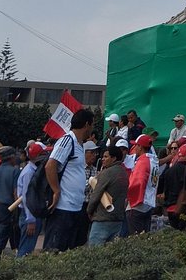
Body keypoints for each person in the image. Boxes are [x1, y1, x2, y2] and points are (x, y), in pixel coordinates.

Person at [44, 108, 96, 252]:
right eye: (92, 125)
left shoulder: (79, 145)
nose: (92, 129)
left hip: (75, 207)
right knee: (54, 251)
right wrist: (56, 191)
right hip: (63, 208)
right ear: (86, 124)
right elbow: (50, 165)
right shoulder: (68, 140)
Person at [87, 145, 127, 245]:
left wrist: (89, 210)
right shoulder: (123, 173)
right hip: (118, 219)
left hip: (102, 219)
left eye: (106, 157)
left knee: (95, 252)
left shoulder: (107, 173)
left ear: (113, 158)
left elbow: (96, 195)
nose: (103, 159)